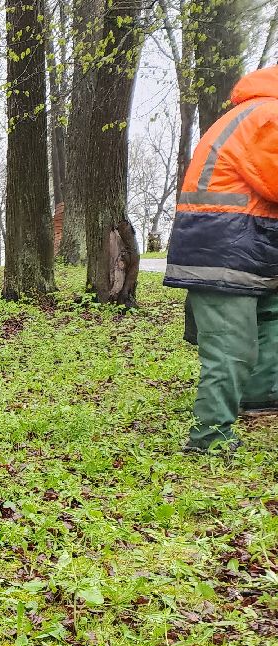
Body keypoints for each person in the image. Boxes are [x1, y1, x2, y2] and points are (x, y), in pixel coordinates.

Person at [164, 65, 278, 452]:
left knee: (270, 320)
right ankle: (209, 435)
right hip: (224, 246)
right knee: (232, 346)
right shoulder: (267, 116)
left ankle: (260, 396)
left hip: (247, 245)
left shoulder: (254, 112)